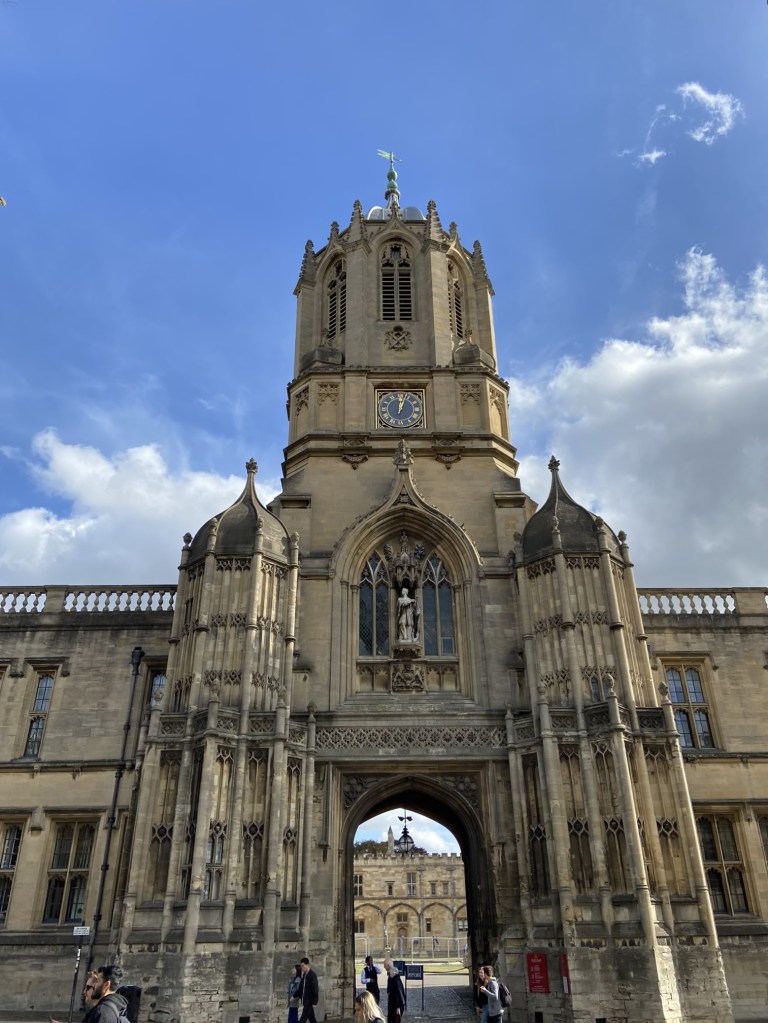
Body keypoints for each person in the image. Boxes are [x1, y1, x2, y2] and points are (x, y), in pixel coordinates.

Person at [382, 959, 406, 1023]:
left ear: (388, 965)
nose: (384, 967)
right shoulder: (392, 977)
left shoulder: (395, 980)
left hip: (396, 1005)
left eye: (384, 965)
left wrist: (398, 1007)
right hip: (392, 1003)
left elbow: (399, 993)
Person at [298, 957, 319, 1023]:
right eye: (301, 966)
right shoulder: (304, 975)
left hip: (309, 1002)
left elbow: (315, 989)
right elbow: (301, 988)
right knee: (312, 1019)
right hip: (305, 1001)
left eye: (303, 966)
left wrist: (315, 1002)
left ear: (307, 965)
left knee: (302, 1019)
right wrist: (294, 996)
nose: (302, 968)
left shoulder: (313, 975)